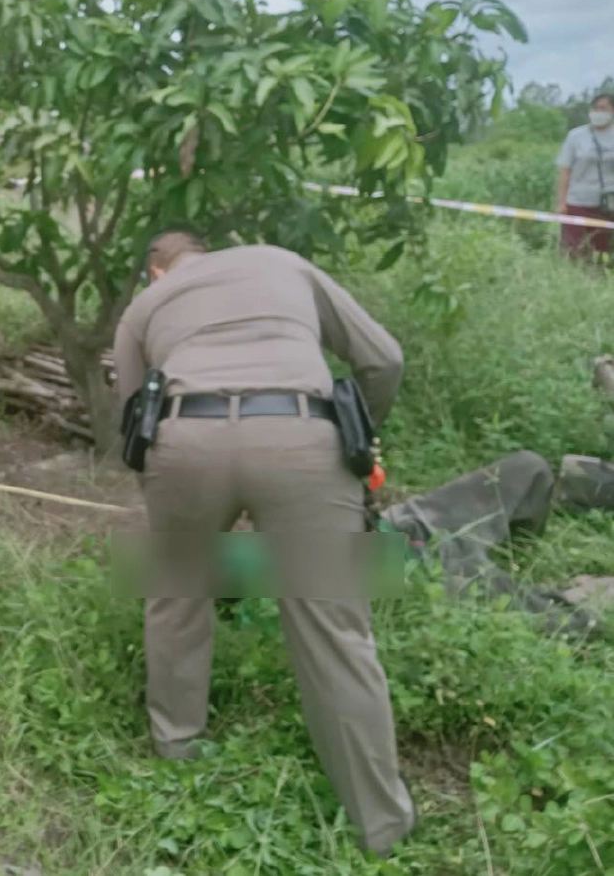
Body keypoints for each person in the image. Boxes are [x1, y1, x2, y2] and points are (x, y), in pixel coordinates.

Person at [113, 230, 416, 857]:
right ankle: (381, 828)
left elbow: (130, 417)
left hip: (185, 438)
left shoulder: (145, 306)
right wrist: (361, 436)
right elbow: (384, 359)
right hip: (301, 433)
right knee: (335, 626)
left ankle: (176, 756)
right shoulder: (285, 263)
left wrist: (168, 486)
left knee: (176, 595)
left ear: (156, 271)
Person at [556, 93, 614, 260]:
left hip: (606, 204)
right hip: (577, 202)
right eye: (595, 108)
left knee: (600, 251)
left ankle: (596, 281)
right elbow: (564, 171)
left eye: (603, 108)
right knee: (574, 248)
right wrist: (561, 203)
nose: (598, 112)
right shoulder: (576, 136)